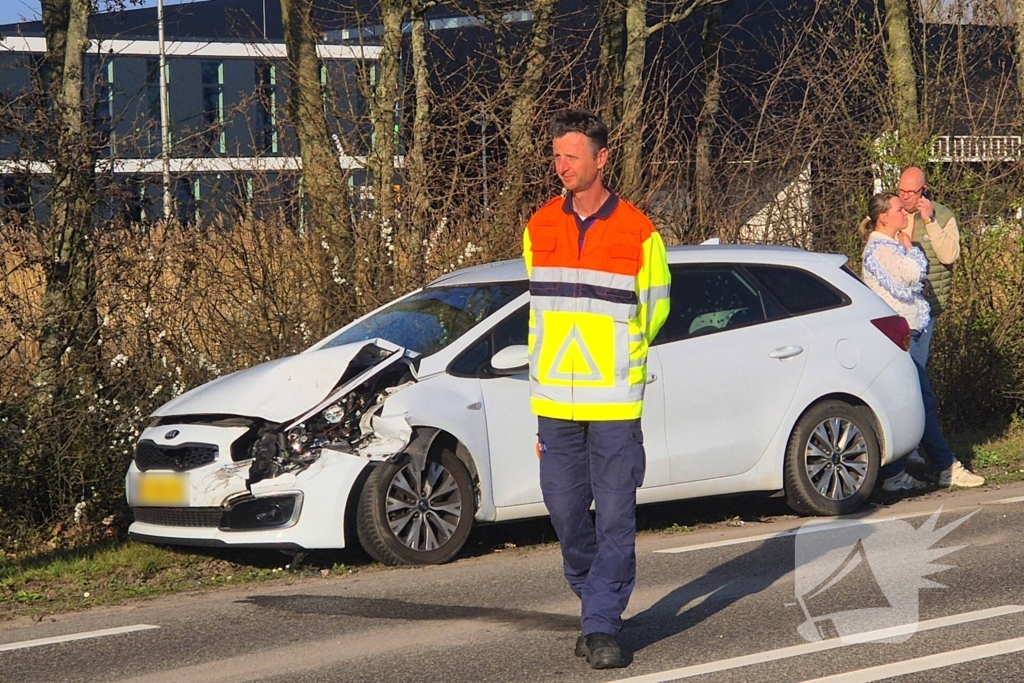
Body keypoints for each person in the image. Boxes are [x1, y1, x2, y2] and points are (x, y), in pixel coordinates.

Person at [523, 109, 670, 669]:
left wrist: (620, 357)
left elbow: (655, 311)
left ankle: (602, 624)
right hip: (554, 399)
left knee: (614, 516)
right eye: (556, 156)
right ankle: (595, 602)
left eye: (572, 156)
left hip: (612, 398)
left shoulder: (639, 230)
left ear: (600, 159)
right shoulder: (539, 226)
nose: (561, 166)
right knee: (564, 512)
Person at [858, 192, 983, 491]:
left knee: (908, 402)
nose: (905, 213)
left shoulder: (889, 246)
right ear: (884, 217)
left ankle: (897, 473)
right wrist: (911, 248)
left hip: (904, 333)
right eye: (900, 209)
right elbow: (911, 275)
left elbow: (909, 285)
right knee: (920, 401)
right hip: (897, 338)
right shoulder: (881, 248)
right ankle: (945, 467)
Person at [896, 167, 960, 368]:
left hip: (928, 304)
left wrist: (929, 221)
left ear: (923, 189)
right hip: (896, 302)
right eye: (901, 191)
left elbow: (949, 256)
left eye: (911, 192)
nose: (905, 197)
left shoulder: (943, 215)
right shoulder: (892, 213)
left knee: (917, 363)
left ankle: (923, 399)